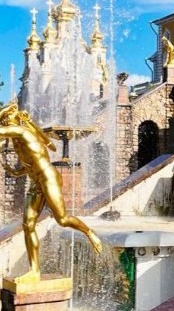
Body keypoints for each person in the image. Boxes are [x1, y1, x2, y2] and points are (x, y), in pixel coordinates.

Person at [0, 102, 102, 282]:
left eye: (7, 118)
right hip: (36, 183)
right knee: (28, 225)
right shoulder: (16, 141)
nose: (5, 121)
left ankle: (89, 232)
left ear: (17, 119)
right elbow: (32, 163)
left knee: (62, 219)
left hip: (49, 178)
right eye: (4, 119)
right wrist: (18, 172)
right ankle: (34, 270)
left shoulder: (23, 132)